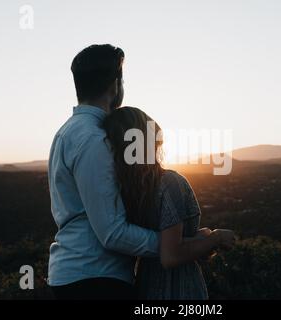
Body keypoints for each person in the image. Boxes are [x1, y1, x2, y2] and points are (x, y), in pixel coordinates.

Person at [47, 44, 233, 299]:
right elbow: (112, 233)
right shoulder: (93, 139)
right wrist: (183, 244)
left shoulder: (67, 132)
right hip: (94, 278)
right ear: (115, 85)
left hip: (82, 275)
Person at [103, 106, 235, 299]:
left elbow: (162, 241)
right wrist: (215, 238)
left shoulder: (121, 191)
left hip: (145, 286)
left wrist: (198, 239)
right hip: (179, 289)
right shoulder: (168, 184)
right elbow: (171, 256)